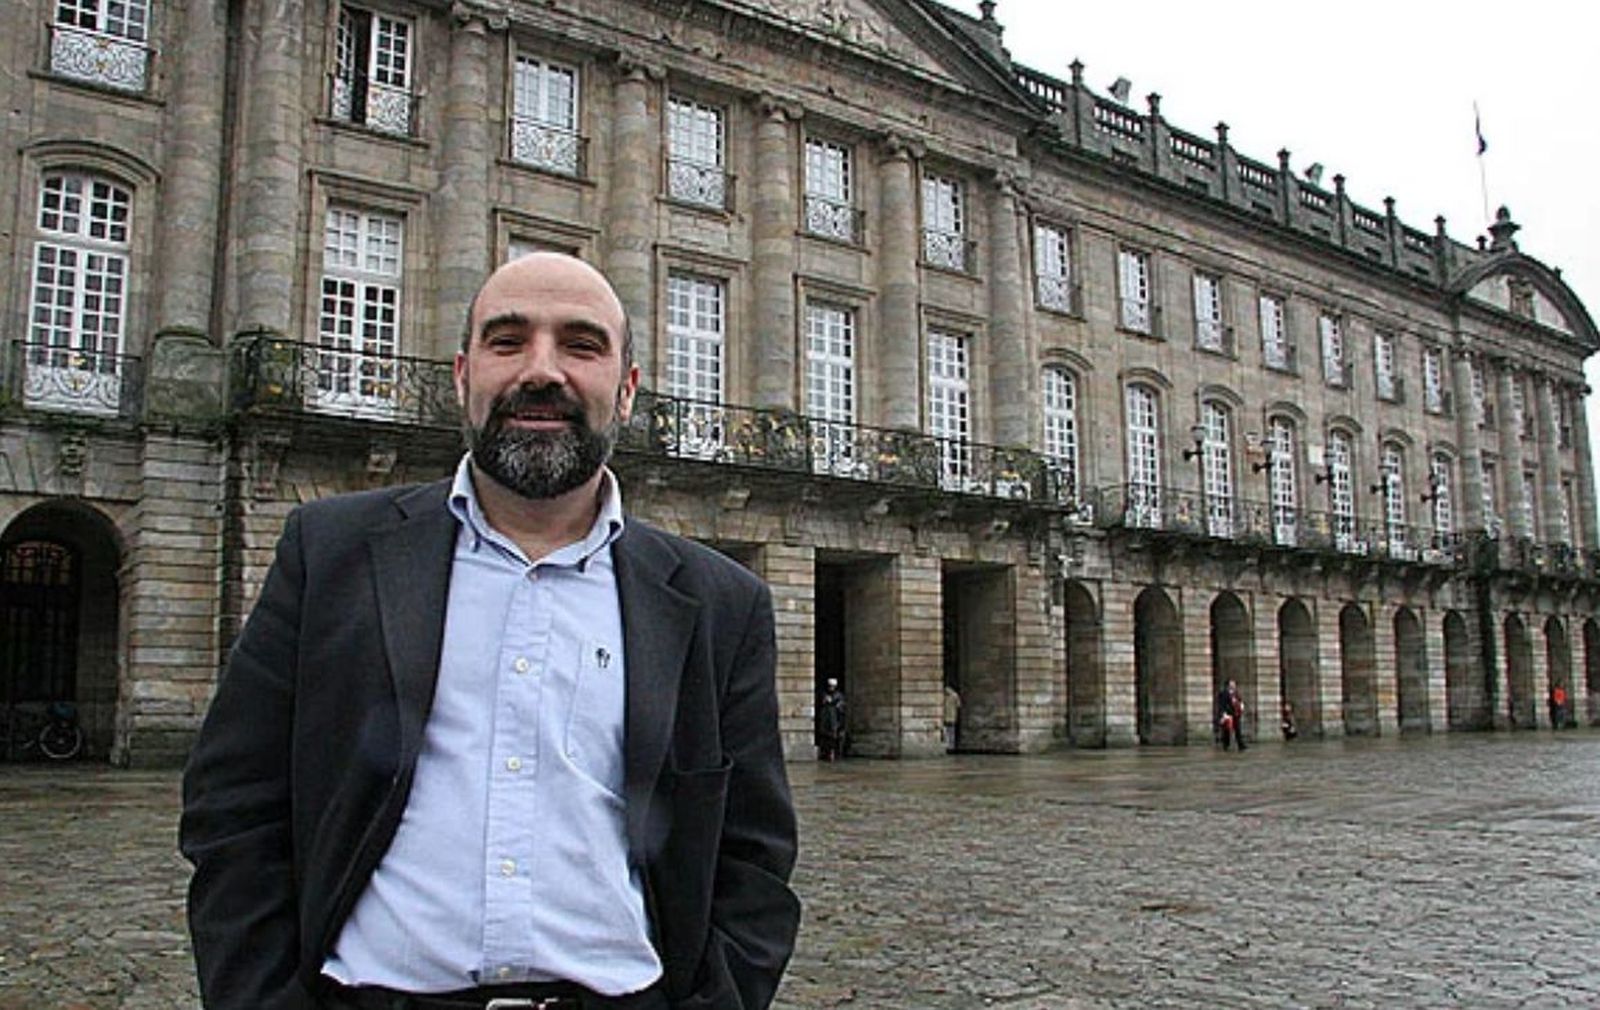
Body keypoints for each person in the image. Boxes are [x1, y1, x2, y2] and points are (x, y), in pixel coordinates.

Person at [180, 253, 800, 1010]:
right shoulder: (330, 553)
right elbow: (233, 807)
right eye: (508, 341)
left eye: (581, 344)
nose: (542, 371)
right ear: (462, 375)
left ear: (628, 390)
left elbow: (754, 857)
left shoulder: (719, 603)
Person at [816, 678, 847, 761]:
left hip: (835, 720)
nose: (831, 688)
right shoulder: (824, 695)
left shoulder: (839, 696)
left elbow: (841, 709)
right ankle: (826, 753)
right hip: (826, 720)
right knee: (825, 737)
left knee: (834, 738)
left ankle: (834, 753)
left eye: (832, 686)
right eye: (830, 686)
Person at [1215, 679, 1247, 752]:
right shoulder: (1224, 693)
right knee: (1227, 731)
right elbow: (1222, 704)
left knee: (1238, 729)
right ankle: (1226, 745)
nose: (1233, 685)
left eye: (1234, 684)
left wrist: (1241, 705)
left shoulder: (1236, 693)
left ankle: (1241, 745)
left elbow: (1239, 701)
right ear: (1228, 685)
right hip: (1228, 714)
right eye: (1232, 684)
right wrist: (1223, 714)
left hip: (1235, 714)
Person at [942, 683, 962, 753]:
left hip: (945, 716)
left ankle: (947, 745)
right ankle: (951, 746)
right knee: (951, 731)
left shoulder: (943, 696)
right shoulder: (955, 695)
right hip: (952, 716)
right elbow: (959, 705)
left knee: (946, 732)